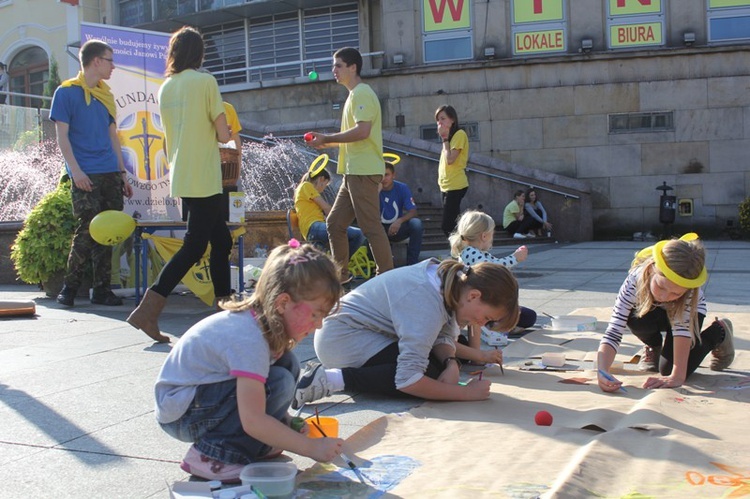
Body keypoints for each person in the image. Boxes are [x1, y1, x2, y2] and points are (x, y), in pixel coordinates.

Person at [155, 241, 345, 483]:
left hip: (198, 399)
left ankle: (260, 442)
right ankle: (212, 456)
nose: (318, 325)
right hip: (181, 414)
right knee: (278, 381)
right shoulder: (249, 338)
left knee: (287, 365)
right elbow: (253, 419)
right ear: (283, 302)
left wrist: (285, 422)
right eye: (316, 313)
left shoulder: (261, 325)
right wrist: (309, 448)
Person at [292, 258, 519, 408]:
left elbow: (443, 335)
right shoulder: (425, 300)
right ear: (474, 296)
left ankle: (339, 376)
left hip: (366, 333)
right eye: (487, 318)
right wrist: (466, 393)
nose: (481, 323)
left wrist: (451, 363)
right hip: (342, 339)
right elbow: (408, 380)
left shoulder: (451, 281)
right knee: (426, 376)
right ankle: (331, 379)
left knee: (438, 368)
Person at [127, 26, 232, 343]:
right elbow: (224, 134)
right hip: (204, 174)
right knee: (195, 245)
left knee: (222, 241)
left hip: (183, 175)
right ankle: (148, 310)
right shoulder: (205, 82)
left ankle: (225, 307)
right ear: (199, 54)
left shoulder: (166, 87)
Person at [50, 40, 134, 307]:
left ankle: (101, 290)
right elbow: (62, 137)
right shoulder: (65, 93)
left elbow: (113, 137)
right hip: (85, 173)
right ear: (96, 60)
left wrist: (122, 174)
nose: (113, 66)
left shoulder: (105, 95)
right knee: (85, 231)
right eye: (110, 60)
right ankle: (69, 288)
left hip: (110, 172)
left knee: (107, 234)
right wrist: (75, 172)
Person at [596, 233, 734, 393]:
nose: (664, 297)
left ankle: (718, 332)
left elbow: (681, 332)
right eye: (661, 286)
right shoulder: (634, 280)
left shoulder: (689, 294)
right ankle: (654, 346)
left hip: (687, 316)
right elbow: (614, 330)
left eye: (675, 294)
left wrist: (676, 376)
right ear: (652, 269)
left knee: (668, 370)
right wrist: (603, 370)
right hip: (653, 311)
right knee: (633, 315)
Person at [305, 47, 393, 282]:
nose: (333, 70)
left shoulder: (361, 93)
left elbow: (362, 131)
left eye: (338, 65)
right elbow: (358, 135)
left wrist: (328, 139)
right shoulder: (355, 95)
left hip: (362, 172)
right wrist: (327, 143)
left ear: (353, 67)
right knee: (334, 224)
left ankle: (386, 278)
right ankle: (340, 275)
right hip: (354, 172)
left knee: (371, 226)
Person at [449, 210, 538, 362]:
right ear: (484, 236)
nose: (492, 239)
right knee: (477, 322)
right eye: (492, 234)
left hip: (477, 303)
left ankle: (489, 332)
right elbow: (493, 267)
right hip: (475, 303)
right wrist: (514, 258)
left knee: (526, 316)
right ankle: (489, 332)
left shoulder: (475, 251)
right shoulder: (469, 252)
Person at [293, 167, 365, 256]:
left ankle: (335, 262)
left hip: (311, 230)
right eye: (325, 184)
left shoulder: (303, 189)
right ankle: (339, 262)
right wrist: (340, 220)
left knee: (320, 262)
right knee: (358, 234)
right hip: (314, 227)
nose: (323, 189)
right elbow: (326, 208)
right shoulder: (306, 185)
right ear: (321, 179)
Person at [379, 161, 423, 265]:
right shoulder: (373, 188)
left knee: (416, 224)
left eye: (387, 175)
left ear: (393, 175)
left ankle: (412, 264)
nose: (383, 178)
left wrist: (399, 221)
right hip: (379, 228)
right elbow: (367, 212)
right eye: (380, 175)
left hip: (397, 227)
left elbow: (413, 211)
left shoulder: (402, 188)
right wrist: (376, 191)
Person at [435, 105, 469, 237]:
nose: (440, 123)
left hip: (455, 185)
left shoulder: (459, 135)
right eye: (438, 120)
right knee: (454, 225)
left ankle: (460, 251)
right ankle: (461, 251)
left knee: (448, 226)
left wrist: (444, 139)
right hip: (446, 186)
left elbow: (450, 159)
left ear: (452, 119)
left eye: (443, 118)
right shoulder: (449, 139)